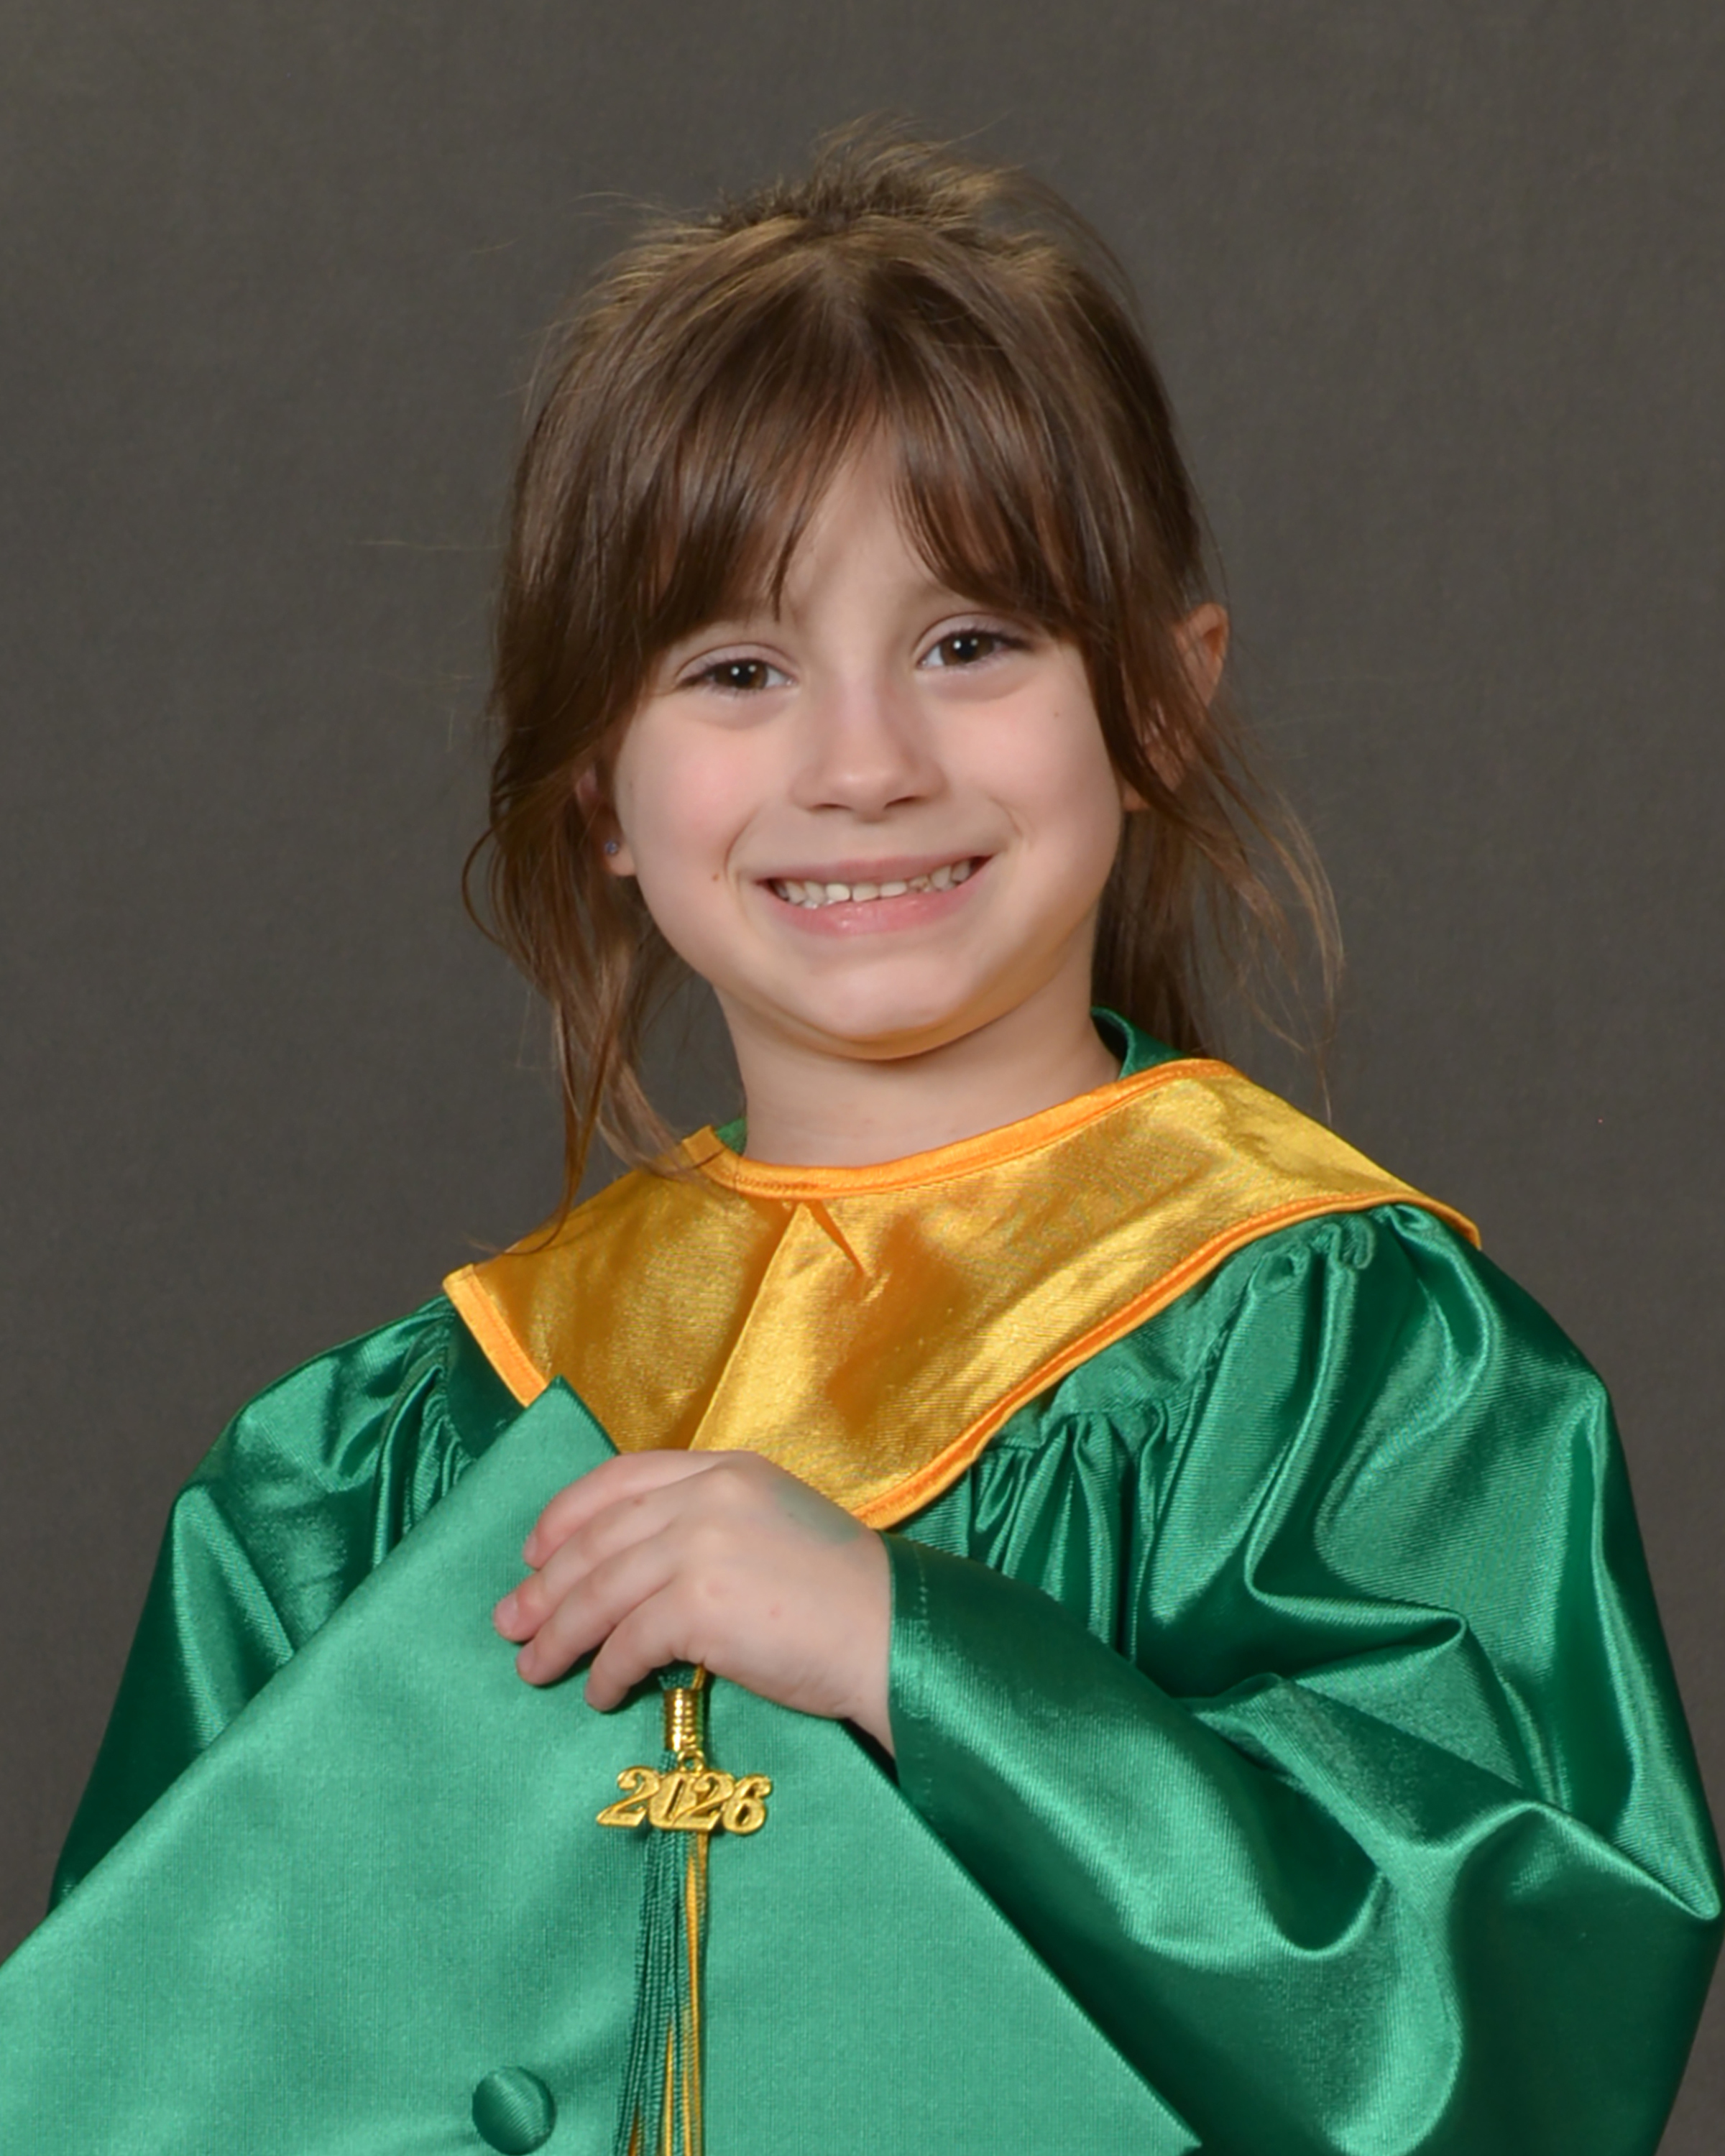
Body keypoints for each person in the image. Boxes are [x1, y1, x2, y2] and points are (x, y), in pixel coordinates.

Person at [4, 129, 1718, 2155]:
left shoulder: (1348, 1372)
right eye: (738, 670)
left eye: (971, 642)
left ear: (1161, 704)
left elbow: (1503, 2034)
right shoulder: (386, 1465)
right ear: (601, 791)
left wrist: (914, 1655)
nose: (866, 765)